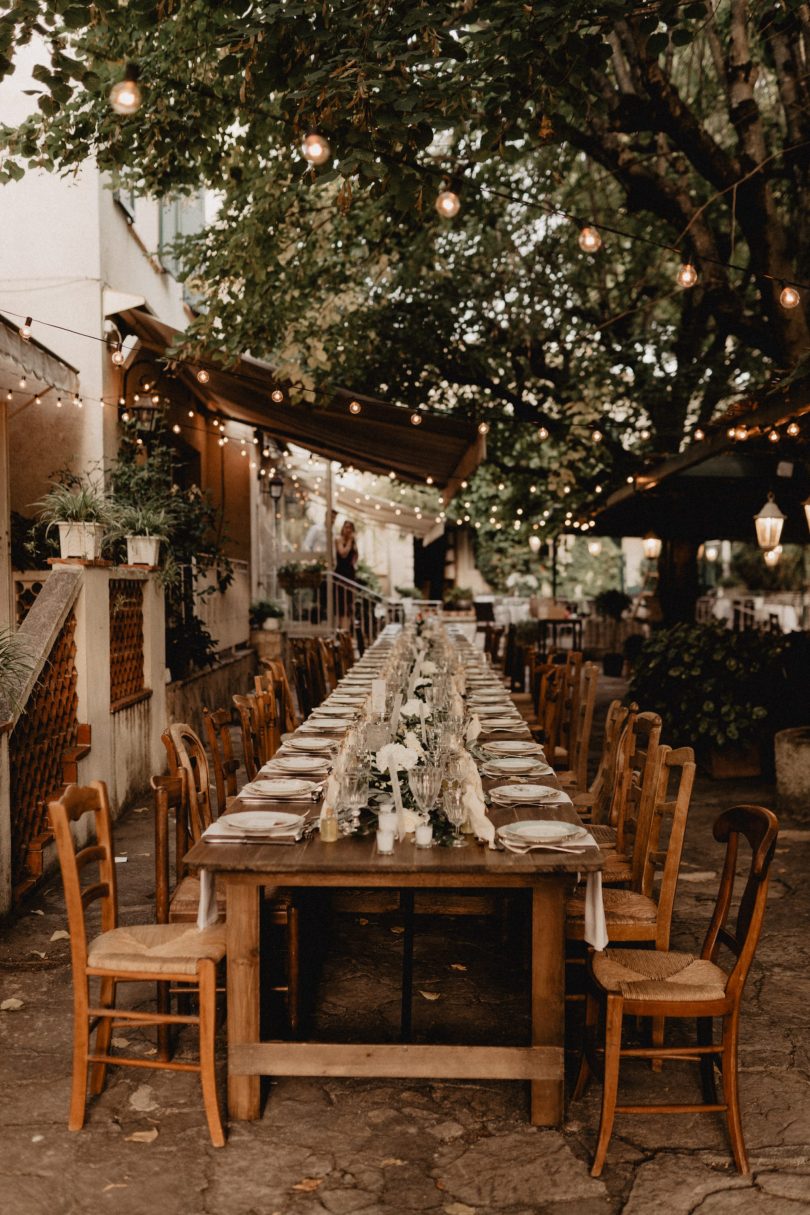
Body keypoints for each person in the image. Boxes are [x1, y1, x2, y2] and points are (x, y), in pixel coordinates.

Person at [334, 519, 358, 628]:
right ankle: (340, 628)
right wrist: (349, 542)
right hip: (341, 573)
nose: (348, 530)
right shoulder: (339, 540)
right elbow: (343, 553)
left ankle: (347, 629)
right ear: (343, 528)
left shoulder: (353, 542)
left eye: (350, 528)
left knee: (349, 602)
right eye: (346, 527)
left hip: (350, 573)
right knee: (340, 602)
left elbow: (355, 557)